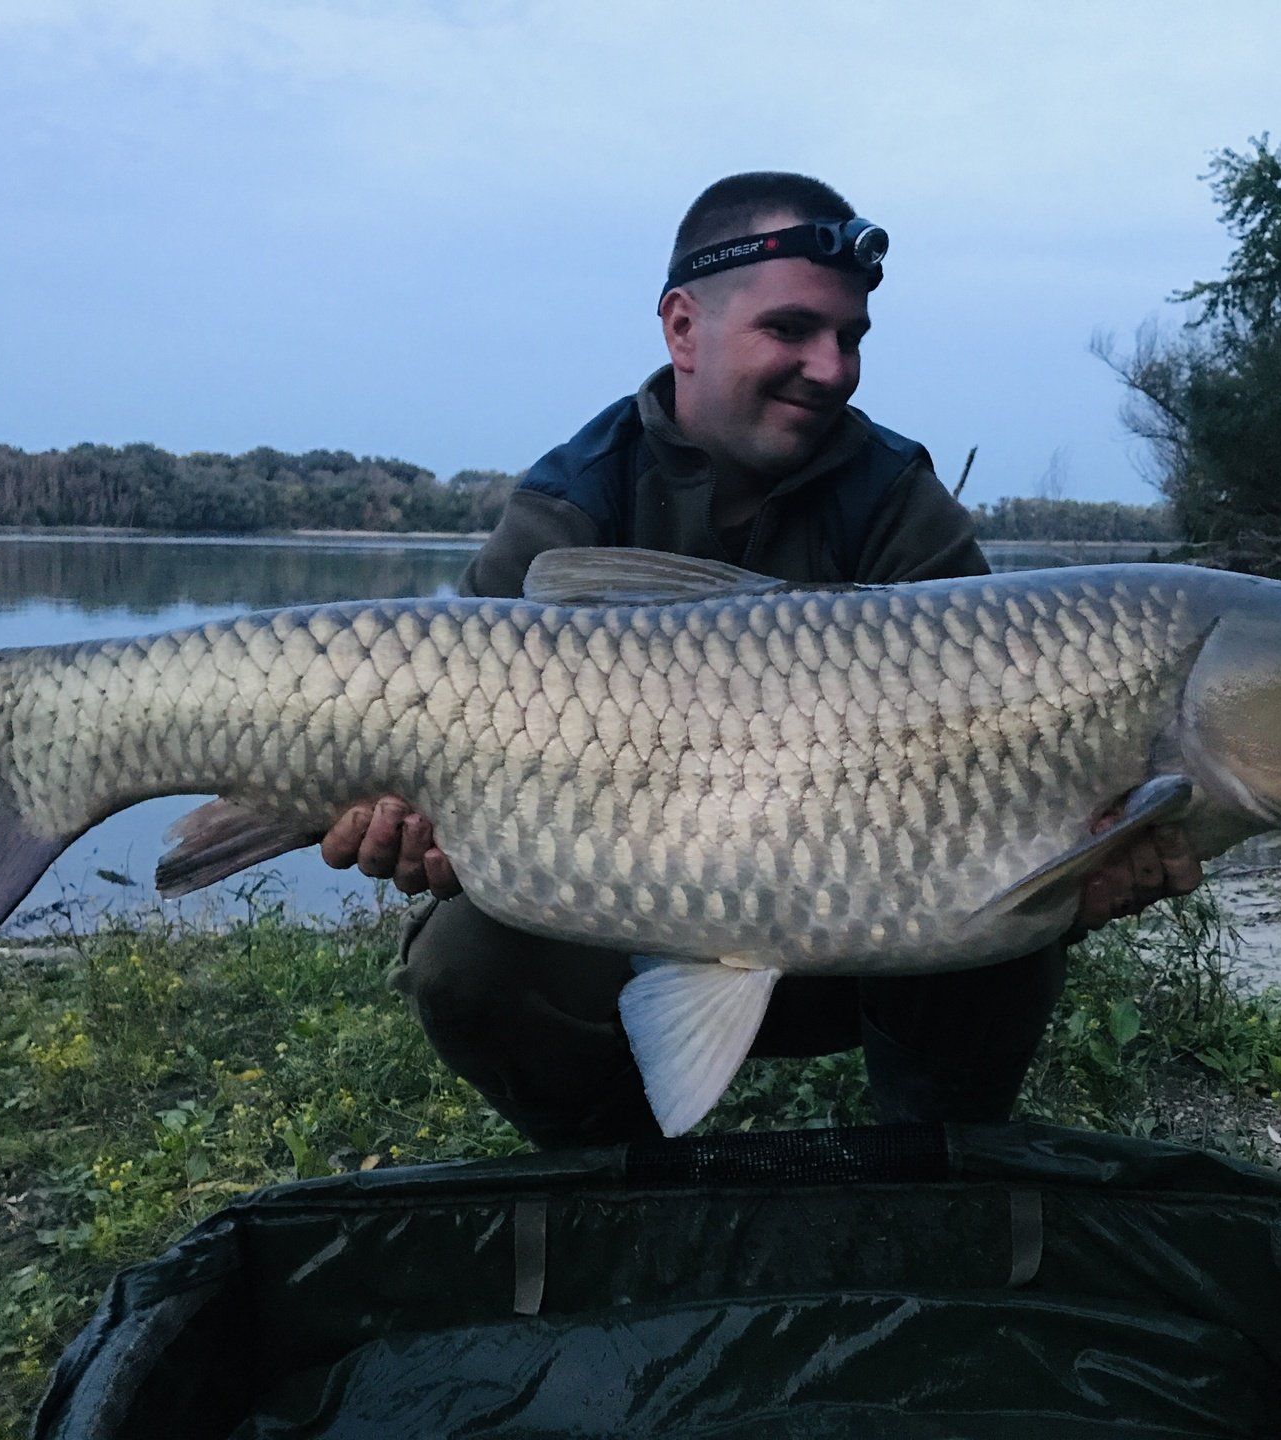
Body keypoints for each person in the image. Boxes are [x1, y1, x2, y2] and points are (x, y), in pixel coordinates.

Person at [322, 172, 1201, 1147]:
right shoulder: (573, 503)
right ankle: (620, 1176)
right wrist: (408, 823)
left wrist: (1089, 869)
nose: (831, 368)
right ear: (683, 329)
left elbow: (1013, 784)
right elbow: (443, 755)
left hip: (869, 936)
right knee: (463, 962)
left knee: (1014, 916)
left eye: (851, 337)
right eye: (792, 331)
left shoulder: (898, 509)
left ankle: (931, 1164)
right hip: (623, 915)